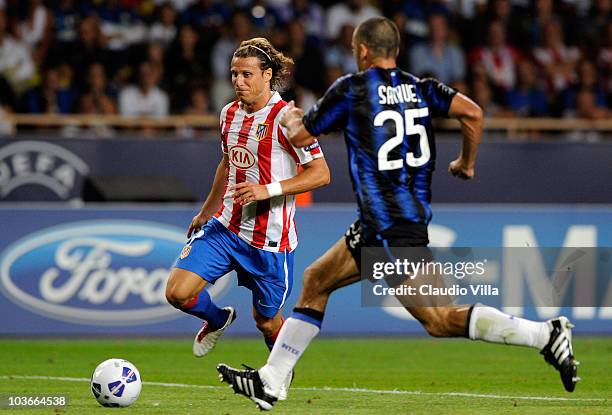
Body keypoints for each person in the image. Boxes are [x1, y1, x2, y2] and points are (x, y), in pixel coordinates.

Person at [217, 17, 579, 411]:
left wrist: (289, 116)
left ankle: (545, 334)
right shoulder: (422, 88)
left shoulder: (353, 89)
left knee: (440, 321)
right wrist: (466, 162)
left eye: (356, 48)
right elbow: (473, 113)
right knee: (316, 279)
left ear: (364, 50)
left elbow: (302, 134)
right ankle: (272, 380)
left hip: (390, 227)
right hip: (390, 219)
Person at [165, 37, 329, 399]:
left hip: (269, 242)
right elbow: (228, 162)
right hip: (225, 227)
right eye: (234, 74)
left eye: (246, 74)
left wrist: (267, 190)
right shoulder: (228, 114)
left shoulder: (288, 119)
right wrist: (207, 209)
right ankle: (216, 318)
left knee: (266, 320)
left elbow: (320, 173)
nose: (238, 81)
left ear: (268, 75)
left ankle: (277, 375)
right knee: (177, 293)